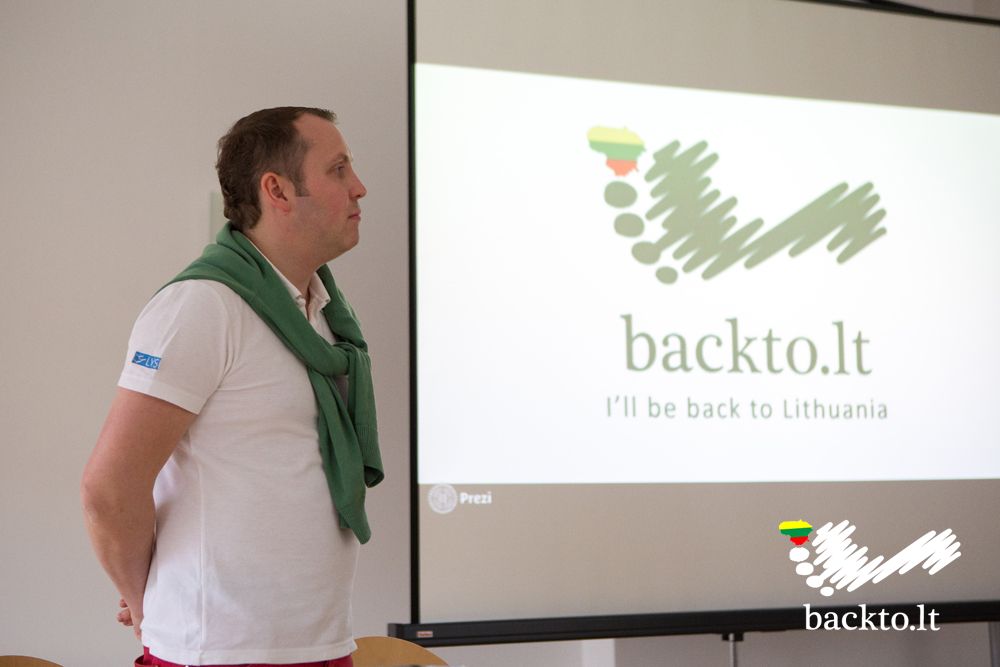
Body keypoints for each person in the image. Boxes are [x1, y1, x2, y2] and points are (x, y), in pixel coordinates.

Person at [81, 107, 383, 667]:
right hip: (217, 650)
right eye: (338, 169)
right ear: (278, 190)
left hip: (318, 641)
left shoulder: (323, 313)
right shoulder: (202, 306)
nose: (359, 187)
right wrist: (145, 601)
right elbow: (110, 488)